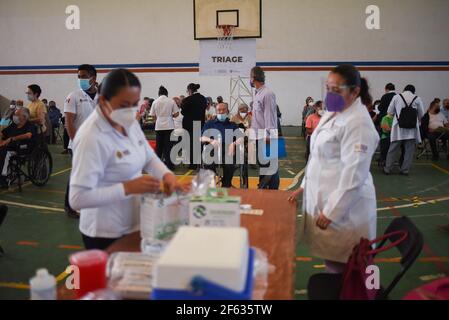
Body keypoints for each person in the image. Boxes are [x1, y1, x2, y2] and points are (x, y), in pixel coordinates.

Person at [69, 69, 190, 250]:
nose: (131, 111)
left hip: (133, 222)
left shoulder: (128, 122)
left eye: (135, 104)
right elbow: (78, 199)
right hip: (104, 232)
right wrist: (127, 188)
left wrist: (167, 175)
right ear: (103, 101)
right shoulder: (91, 137)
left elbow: (148, 157)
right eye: (124, 105)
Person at [288, 64, 379, 273]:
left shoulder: (358, 123)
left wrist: (332, 211)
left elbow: (354, 173)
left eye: (336, 90)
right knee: (334, 264)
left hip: (347, 212)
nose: (330, 94)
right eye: (328, 88)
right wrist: (304, 184)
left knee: (349, 269)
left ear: (355, 91)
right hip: (327, 199)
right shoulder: (333, 112)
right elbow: (319, 156)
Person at [64, 64, 98, 218]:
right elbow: (69, 123)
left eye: (84, 76)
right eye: (79, 76)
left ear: (93, 78)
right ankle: (70, 206)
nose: (81, 79)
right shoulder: (74, 96)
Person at [249, 66, 279, 190]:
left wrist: (269, 135)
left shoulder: (267, 94)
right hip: (259, 135)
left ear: (253, 78)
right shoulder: (258, 93)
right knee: (264, 165)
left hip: (267, 137)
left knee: (271, 166)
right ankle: (264, 188)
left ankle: (272, 191)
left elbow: (270, 116)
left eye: (250, 77)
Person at [384, 85, 424, 176]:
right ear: (414, 91)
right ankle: (405, 170)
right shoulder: (417, 99)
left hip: (398, 128)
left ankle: (387, 169)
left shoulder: (397, 97)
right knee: (409, 151)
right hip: (411, 129)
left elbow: (389, 111)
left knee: (393, 149)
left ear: (404, 89)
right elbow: (421, 114)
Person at [201, 103, 240, 188]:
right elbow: (202, 138)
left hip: (228, 150)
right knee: (208, 163)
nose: (221, 112)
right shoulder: (209, 124)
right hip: (213, 149)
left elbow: (241, 138)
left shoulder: (233, 125)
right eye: (219, 110)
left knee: (229, 164)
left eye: (223, 110)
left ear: (227, 111)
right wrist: (211, 140)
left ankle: (226, 185)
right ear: (216, 111)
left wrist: (234, 144)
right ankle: (212, 184)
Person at [0, 108, 36, 188]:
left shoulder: (30, 125)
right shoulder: (14, 125)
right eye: (14, 115)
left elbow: (28, 135)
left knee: (5, 152)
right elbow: (3, 133)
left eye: (17, 115)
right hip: (11, 146)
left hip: (23, 147)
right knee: (3, 150)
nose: (14, 116)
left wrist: (12, 138)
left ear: (24, 117)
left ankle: (3, 177)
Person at [150, 86, 180, 170]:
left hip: (159, 126)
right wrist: (171, 116)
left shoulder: (155, 102)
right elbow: (177, 114)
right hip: (169, 126)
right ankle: (170, 166)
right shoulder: (171, 101)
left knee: (159, 147)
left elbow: (152, 116)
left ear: (159, 93)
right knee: (168, 147)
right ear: (166, 93)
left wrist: (158, 119)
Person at [181, 83, 208, 170]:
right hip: (200, 123)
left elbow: (183, 112)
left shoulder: (187, 99)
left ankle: (193, 164)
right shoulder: (203, 98)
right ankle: (199, 162)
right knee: (198, 144)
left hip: (189, 124)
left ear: (189, 90)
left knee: (190, 144)